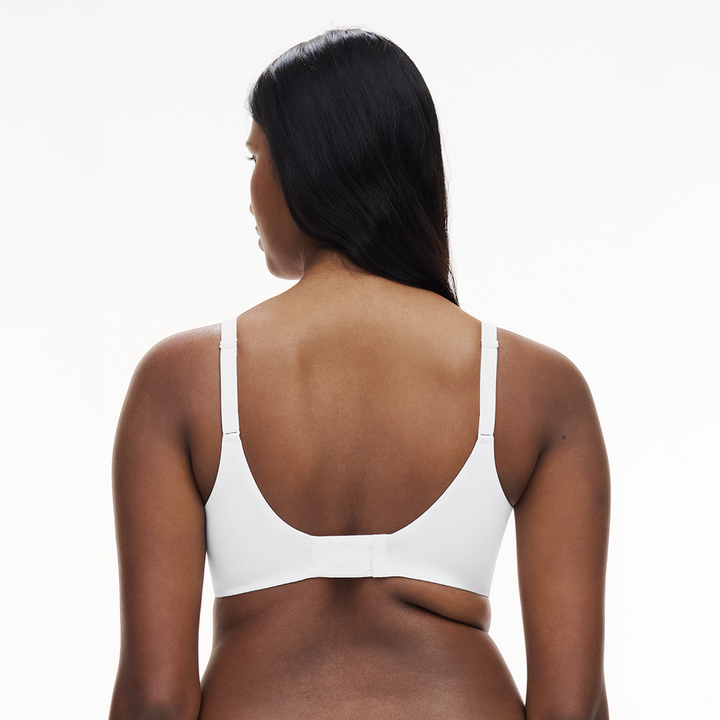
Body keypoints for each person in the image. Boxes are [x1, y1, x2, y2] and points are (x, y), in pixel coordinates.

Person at [109, 28, 610, 720]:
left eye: (255, 156)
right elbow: (571, 711)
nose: (249, 193)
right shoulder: (538, 389)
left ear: (306, 164)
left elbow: (155, 702)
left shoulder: (183, 382)